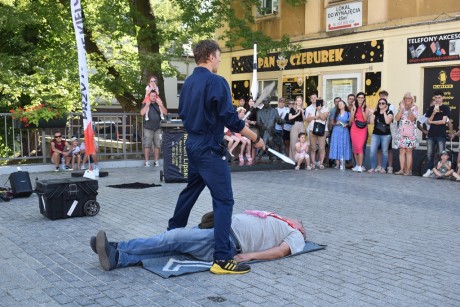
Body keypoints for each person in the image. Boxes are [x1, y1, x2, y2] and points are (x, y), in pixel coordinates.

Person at [167, 40, 265, 275]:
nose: (220, 61)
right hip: (210, 148)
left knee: (191, 190)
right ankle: (222, 258)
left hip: (193, 143)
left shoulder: (188, 83)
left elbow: (183, 112)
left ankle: (171, 235)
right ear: (210, 56)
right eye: (219, 57)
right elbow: (231, 119)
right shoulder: (216, 82)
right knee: (224, 201)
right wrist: (254, 137)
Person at [90, 210, 306, 272]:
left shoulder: (297, 235)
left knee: (172, 238)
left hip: (227, 241)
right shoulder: (278, 218)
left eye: (301, 223)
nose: (299, 222)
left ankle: (117, 247)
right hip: (220, 230)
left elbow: (280, 252)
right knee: (171, 249)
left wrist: (249, 256)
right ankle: (117, 258)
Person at [423, 91, 451, 177]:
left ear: (442, 98)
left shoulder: (446, 108)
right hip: (431, 134)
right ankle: (429, 170)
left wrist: (432, 121)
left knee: (441, 154)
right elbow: (427, 121)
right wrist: (434, 113)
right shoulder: (431, 108)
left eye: (439, 97)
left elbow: (443, 121)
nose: (437, 99)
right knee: (429, 154)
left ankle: (439, 172)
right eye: (436, 98)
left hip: (441, 134)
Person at [140, 90, 168, 167]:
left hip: (158, 128)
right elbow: (142, 113)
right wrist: (147, 105)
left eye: (154, 96)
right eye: (152, 96)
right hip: (148, 128)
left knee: (157, 145)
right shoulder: (145, 103)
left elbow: (165, 113)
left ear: (156, 96)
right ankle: (147, 161)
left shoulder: (159, 104)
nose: (153, 97)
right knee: (147, 145)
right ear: (149, 96)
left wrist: (161, 105)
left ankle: (156, 161)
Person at [394, 93, 418, 176]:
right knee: (401, 151)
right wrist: (401, 109)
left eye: (409, 98)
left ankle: (408, 171)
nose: (407, 100)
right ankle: (401, 169)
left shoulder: (414, 107)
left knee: (408, 151)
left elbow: (412, 119)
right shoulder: (401, 107)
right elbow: (396, 118)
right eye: (406, 98)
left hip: (410, 132)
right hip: (401, 132)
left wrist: (409, 110)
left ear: (412, 99)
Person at [367, 98, 394, 173]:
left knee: (385, 151)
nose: (381, 105)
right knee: (372, 151)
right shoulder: (376, 112)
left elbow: (387, 121)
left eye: (383, 103)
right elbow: (372, 122)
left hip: (386, 135)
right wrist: (372, 113)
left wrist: (384, 112)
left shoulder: (389, 112)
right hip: (376, 134)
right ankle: (372, 167)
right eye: (379, 103)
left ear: (386, 104)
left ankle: (383, 168)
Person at [305, 92, 329, 170]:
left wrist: (319, 110)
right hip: (312, 129)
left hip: (322, 130)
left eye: (315, 98)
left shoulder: (325, 108)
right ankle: (313, 163)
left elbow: (323, 118)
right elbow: (307, 120)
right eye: (312, 98)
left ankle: (321, 163)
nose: (314, 99)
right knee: (313, 147)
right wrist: (314, 117)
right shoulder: (309, 108)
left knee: (322, 147)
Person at [376, 90, 395, 174]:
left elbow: (390, 118)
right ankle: (379, 165)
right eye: (381, 96)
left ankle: (390, 167)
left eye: (384, 96)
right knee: (379, 149)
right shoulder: (377, 106)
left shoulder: (391, 106)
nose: (382, 98)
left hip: (387, 130)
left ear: (387, 97)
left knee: (389, 149)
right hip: (378, 130)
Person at [328, 99, 352, 168]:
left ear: (344, 105)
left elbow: (350, 123)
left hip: (344, 131)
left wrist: (346, 124)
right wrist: (336, 123)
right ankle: (337, 163)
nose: (340, 105)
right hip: (336, 131)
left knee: (343, 145)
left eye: (342, 104)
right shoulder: (335, 113)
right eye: (339, 104)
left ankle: (343, 163)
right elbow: (331, 122)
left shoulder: (348, 113)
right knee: (336, 146)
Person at [350, 92, 369, 172]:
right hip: (354, 128)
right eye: (359, 97)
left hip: (362, 129)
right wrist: (354, 109)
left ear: (364, 99)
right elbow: (350, 120)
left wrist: (362, 110)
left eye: (362, 97)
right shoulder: (353, 107)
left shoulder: (366, 108)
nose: (360, 99)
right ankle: (357, 165)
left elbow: (365, 119)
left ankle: (360, 166)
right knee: (355, 148)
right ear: (356, 98)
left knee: (360, 147)